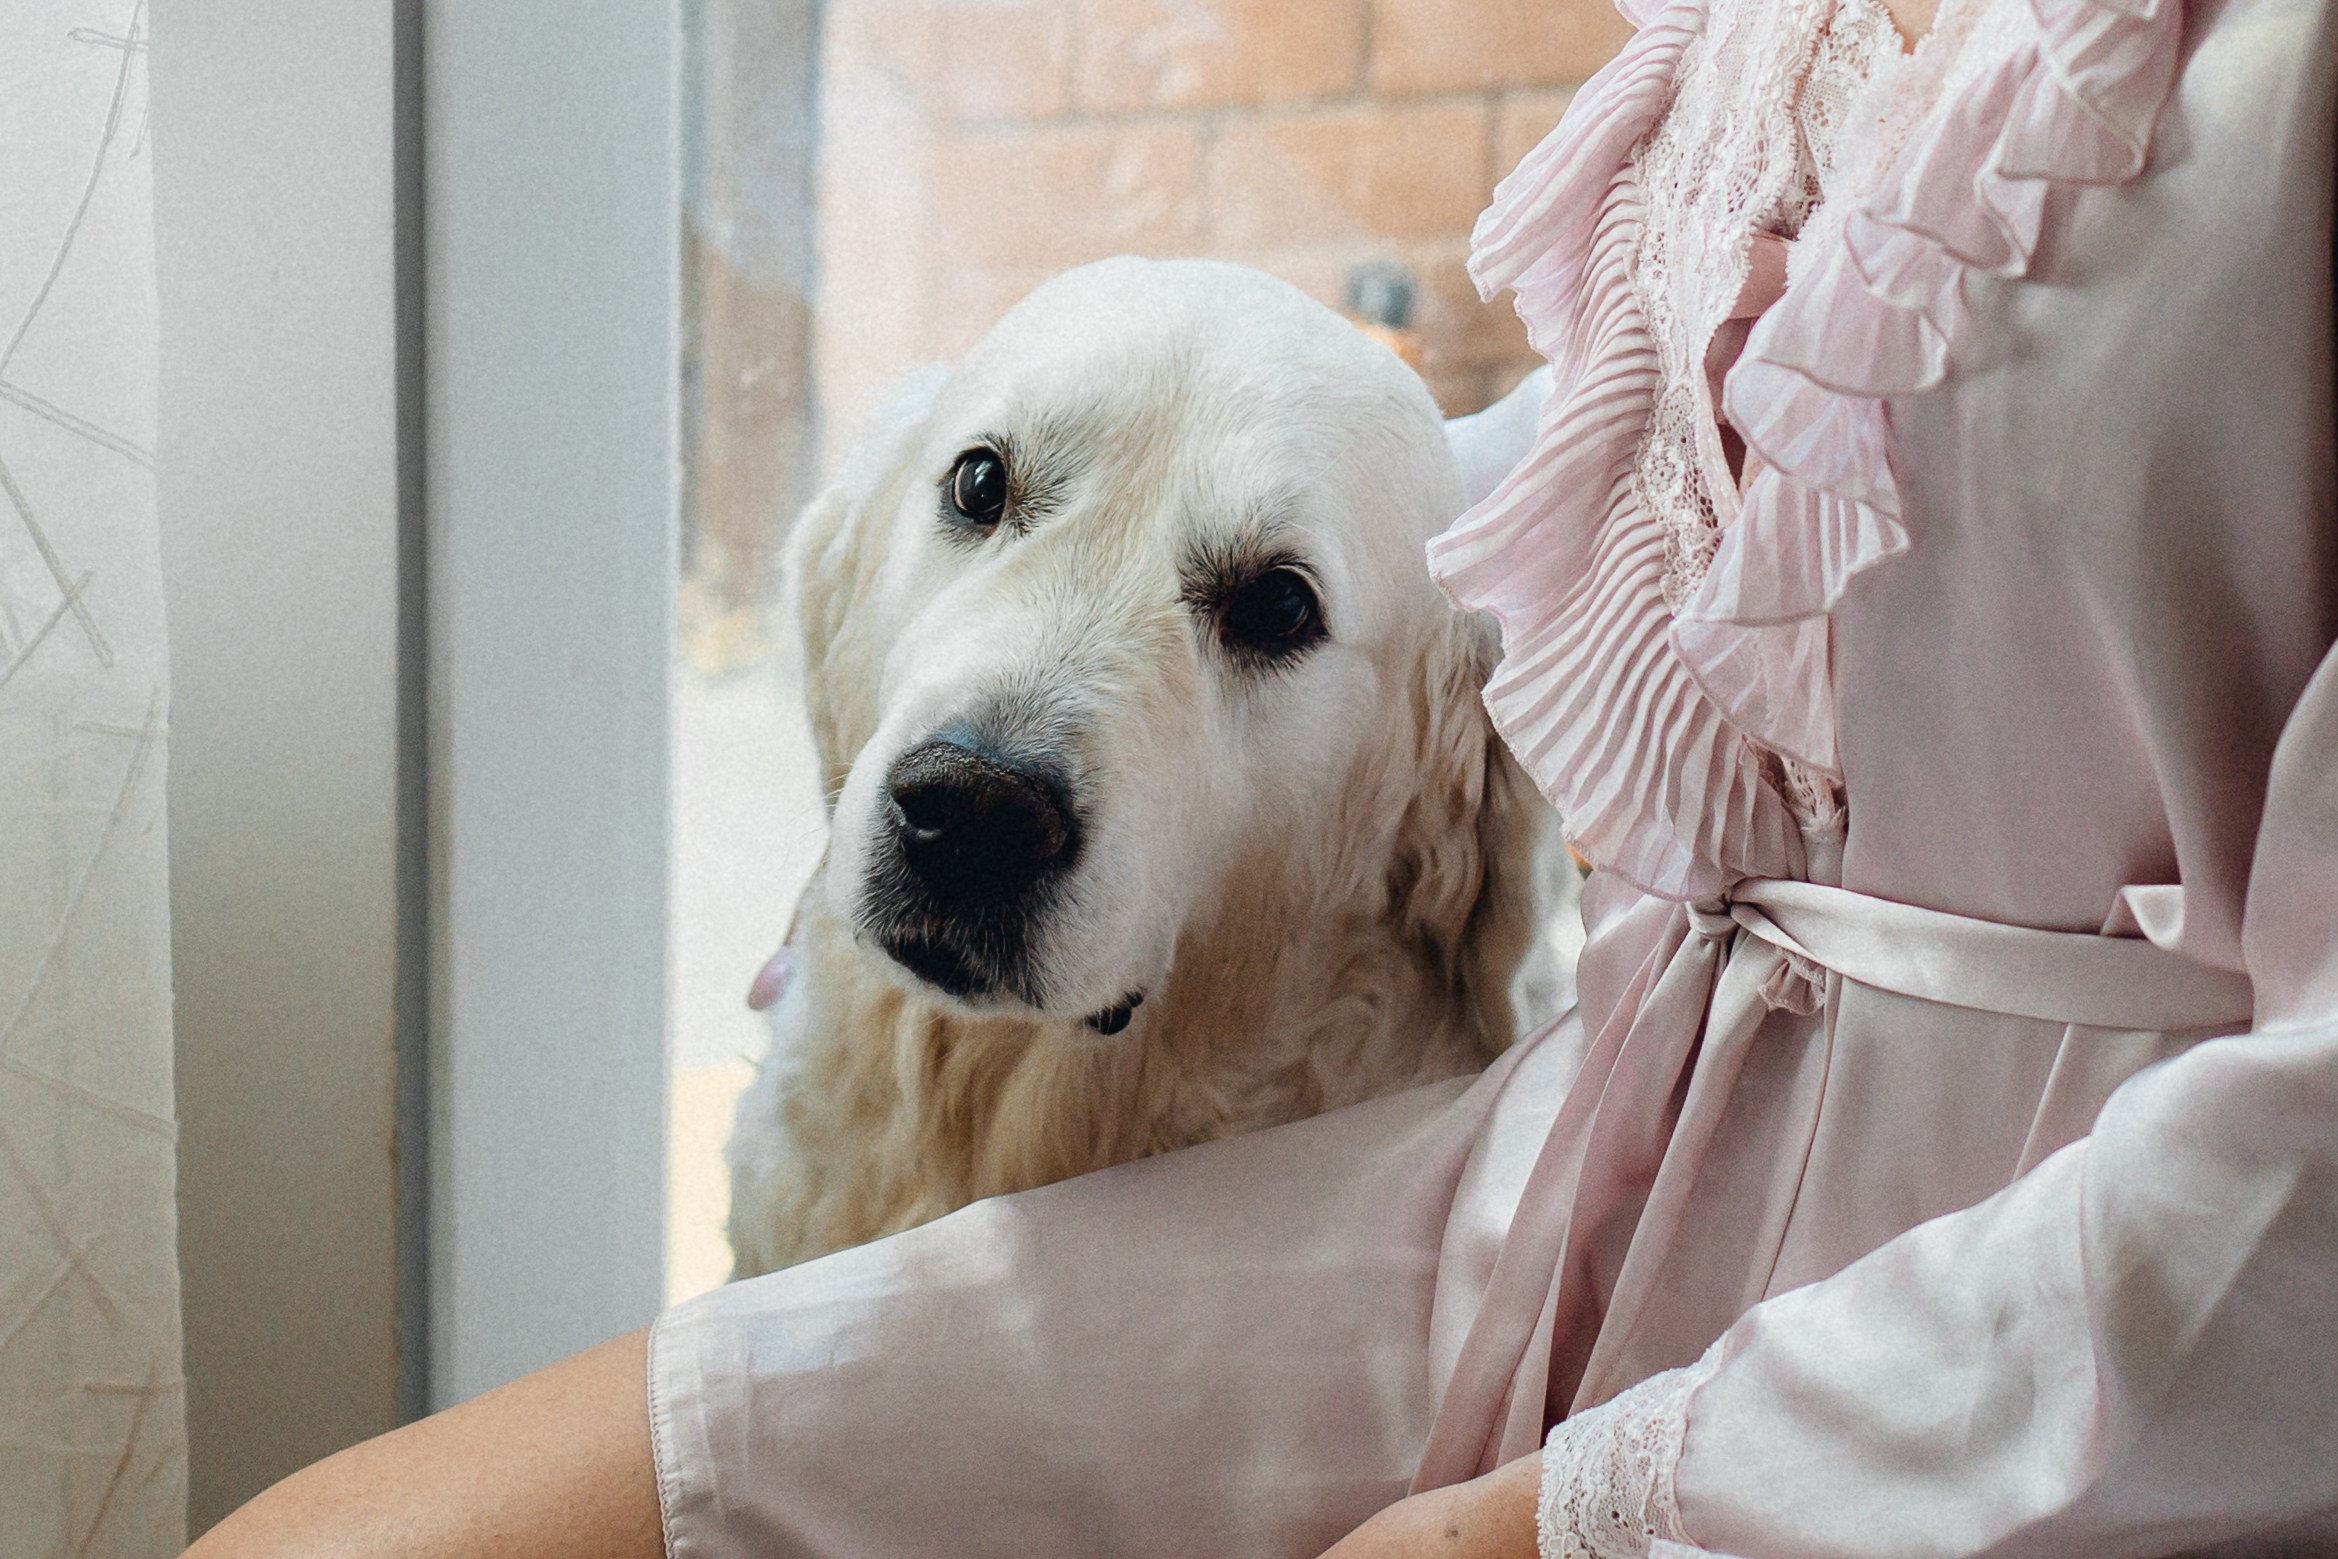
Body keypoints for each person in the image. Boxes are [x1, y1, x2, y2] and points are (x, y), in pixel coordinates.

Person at [190, 0, 2338, 1550]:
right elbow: (1724, 481)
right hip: (1595, 1169)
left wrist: (1523, 1533)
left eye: (1259, 615)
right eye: (980, 492)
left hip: (2038, 1321)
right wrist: (944, 715)